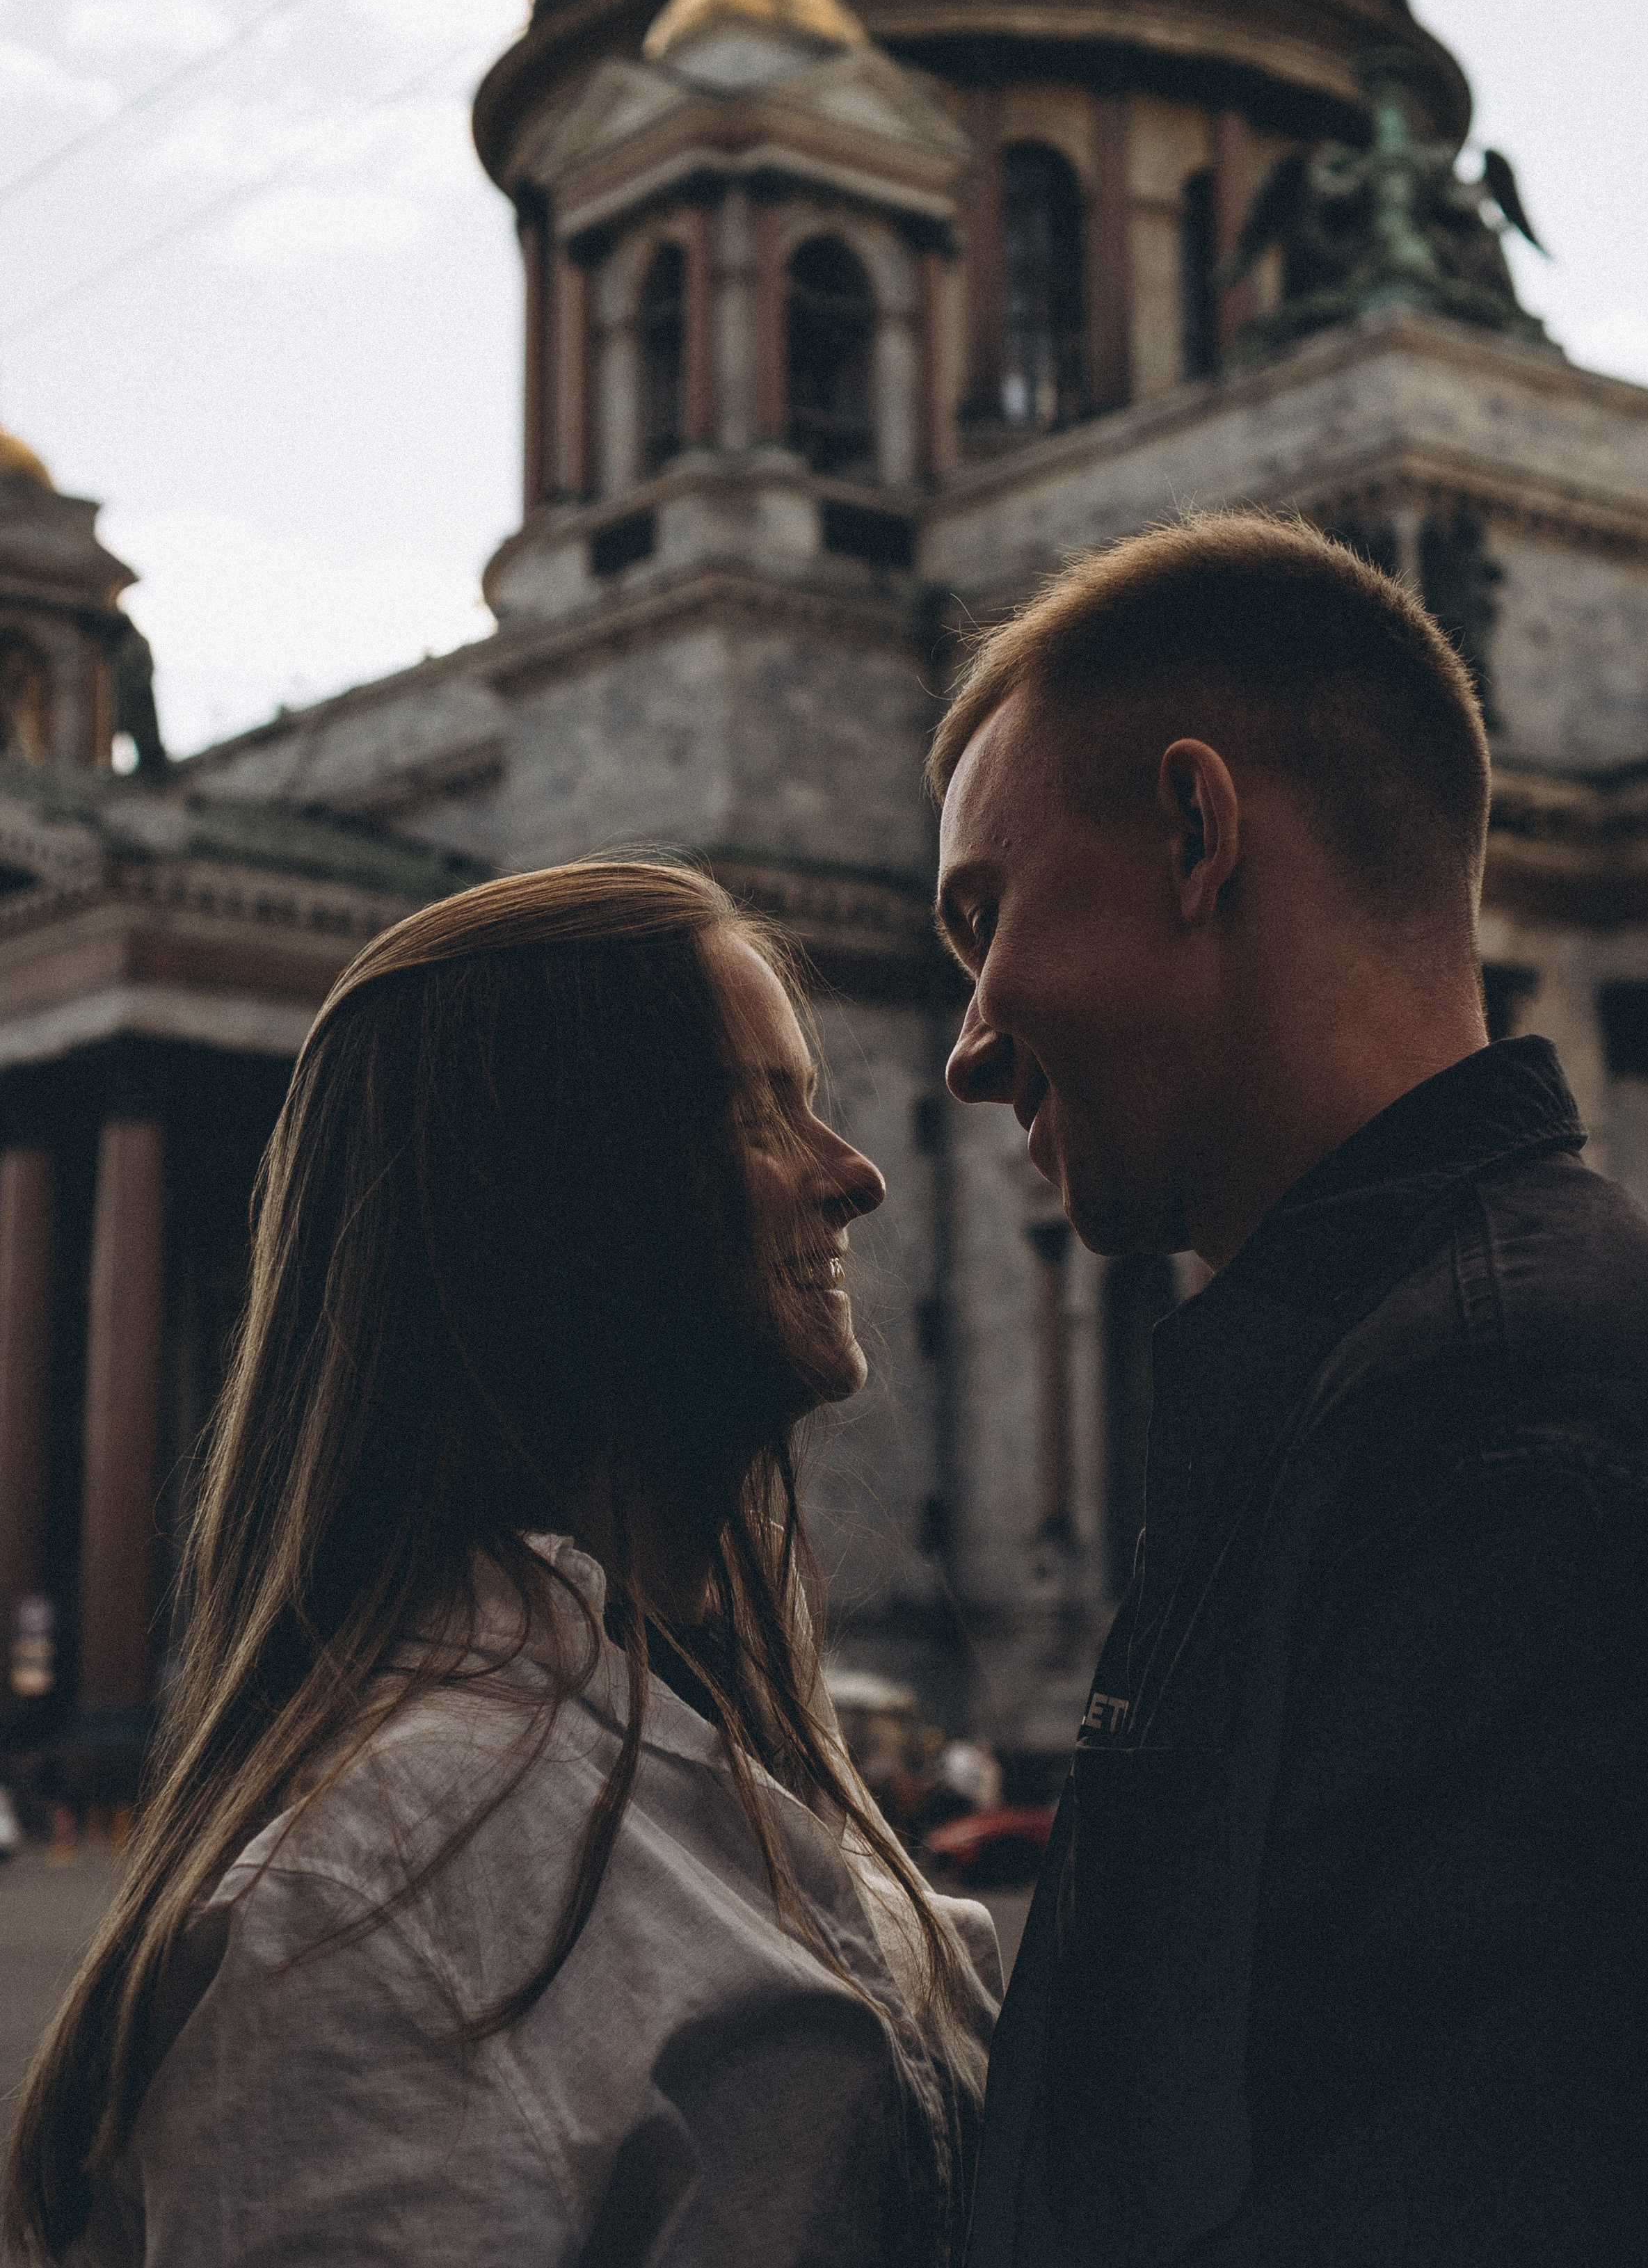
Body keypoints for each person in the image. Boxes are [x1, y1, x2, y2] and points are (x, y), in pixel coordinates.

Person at [930, 513, 1648, 2265]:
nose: (966, 1045)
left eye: (981, 918)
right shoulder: (1421, 1381)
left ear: (1193, 831)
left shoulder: (1512, 1446)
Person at [4, 861, 1000, 2268]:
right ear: (565, 1207)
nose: (855, 1175)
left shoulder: (725, 1725)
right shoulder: (360, 1925)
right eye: (759, 1114)